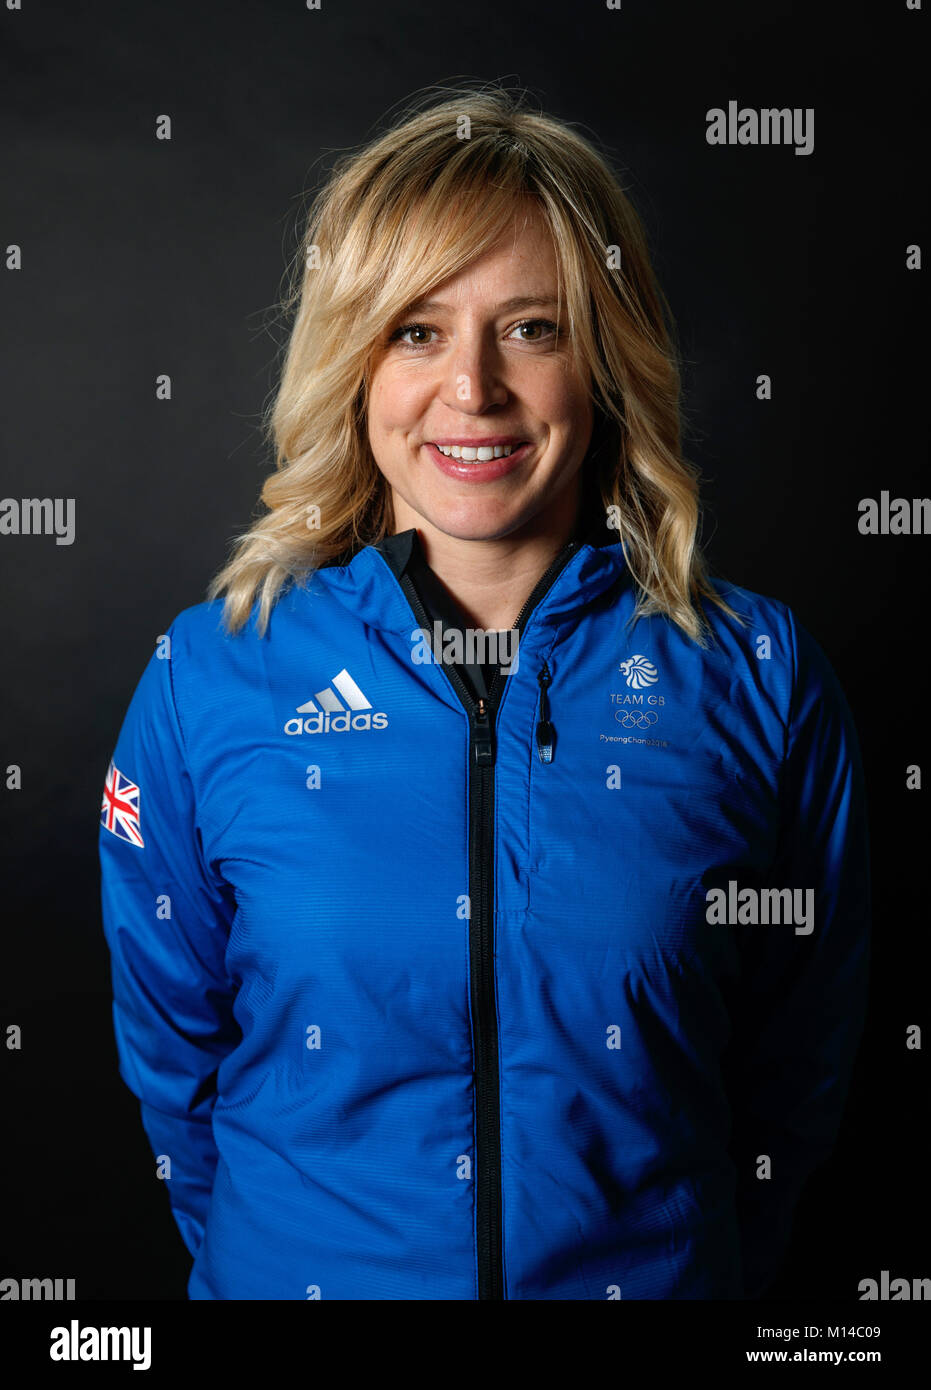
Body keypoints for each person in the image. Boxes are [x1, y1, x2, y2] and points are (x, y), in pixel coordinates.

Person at [98, 86, 870, 1300]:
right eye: (414, 330)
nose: (472, 388)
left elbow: (795, 1073)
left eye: (530, 329)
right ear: (352, 364)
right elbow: (173, 1070)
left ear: (604, 360)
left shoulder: (759, 679)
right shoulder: (210, 678)